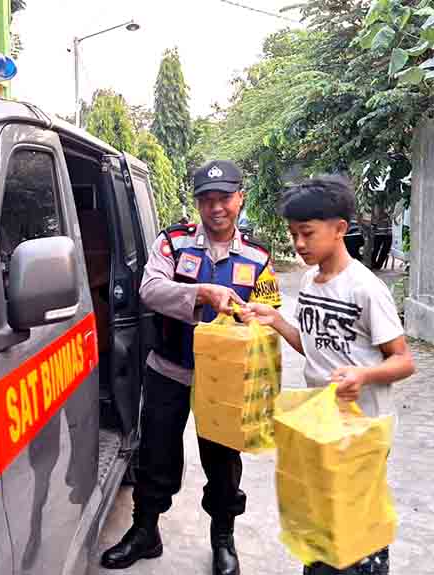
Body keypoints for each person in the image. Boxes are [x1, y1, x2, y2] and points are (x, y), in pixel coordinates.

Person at [100, 160, 281, 575]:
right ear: (197, 203)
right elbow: (150, 290)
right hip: (169, 368)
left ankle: (223, 540)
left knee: (222, 461)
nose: (216, 208)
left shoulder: (258, 256)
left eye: (224, 198)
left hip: (226, 380)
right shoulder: (173, 243)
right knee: (154, 455)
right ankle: (145, 532)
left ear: (241, 198)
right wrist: (201, 292)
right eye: (206, 200)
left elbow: (270, 314)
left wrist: (253, 317)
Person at [241, 176, 415, 575]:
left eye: (307, 233)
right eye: (293, 234)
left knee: (358, 537)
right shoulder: (308, 281)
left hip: (360, 430)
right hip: (320, 425)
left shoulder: (365, 289)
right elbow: (312, 346)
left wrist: (364, 375)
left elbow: (403, 360)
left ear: (339, 229)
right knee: (319, 525)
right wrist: (275, 321)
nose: (299, 244)